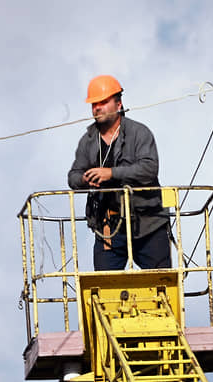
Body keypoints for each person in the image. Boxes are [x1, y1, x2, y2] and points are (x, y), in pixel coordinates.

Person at [68, 75, 171, 270]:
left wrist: (111, 173)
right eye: (94, 104)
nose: (97, 108)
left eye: (103, 102)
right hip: (109, 229)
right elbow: (73, 176)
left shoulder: (139, 133)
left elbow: (149, 168)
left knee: (162, 287)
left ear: (119, 104)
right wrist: (85, 178)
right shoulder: (88, 141)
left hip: (148, 225)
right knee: (104, 293)